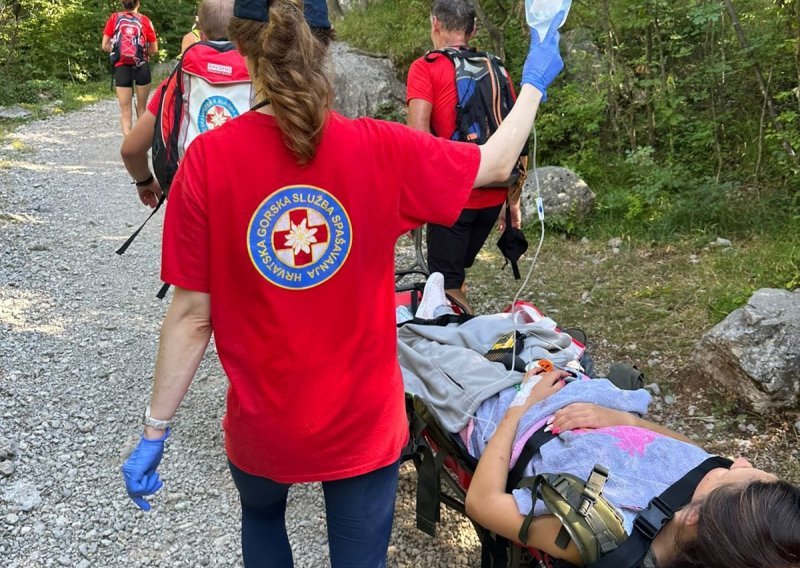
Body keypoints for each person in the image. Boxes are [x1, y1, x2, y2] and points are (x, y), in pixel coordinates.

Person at [118, 0, 564, 566]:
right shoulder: (379, 148)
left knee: (260, 517)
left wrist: (155, 430)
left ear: (246, 47)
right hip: (361, 424)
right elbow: (496, 163)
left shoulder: (208, 160)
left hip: (264, 424)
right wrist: (532, 83)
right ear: (325, 47)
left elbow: (191, 316)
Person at [464, 368, 800, 567]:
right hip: (578, 399)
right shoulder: (717, 505)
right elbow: (695, 454)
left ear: (694, 516)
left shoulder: (605, 534)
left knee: (456, 357)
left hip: (512, 420)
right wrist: (620, 418)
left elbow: (483, 503)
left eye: (733, 472)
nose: (737, 461)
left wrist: (522, 405)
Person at [406, 0, 528, 314]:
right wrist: (512, 201)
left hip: (453, 197)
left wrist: (415, 200)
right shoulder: (496, 67)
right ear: (472, 30)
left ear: (435, 24)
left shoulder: (426, 67)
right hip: (495, 192)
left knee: (445, 287)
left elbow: (417, 139)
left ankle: (462, 345)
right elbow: (518, 136)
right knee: (456, 271)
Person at [120, 0, 246, 207]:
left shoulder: (179, 78)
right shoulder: (264, 76)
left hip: (190, 195)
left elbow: (130, 150)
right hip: (246, 196)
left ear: (202, 34)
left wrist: (145, 181)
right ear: (245, 30)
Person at [102, 0, 158, 136]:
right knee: (142, 109)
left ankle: (129, 148)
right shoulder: (145, 20)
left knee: (126, 113)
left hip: (122, 67)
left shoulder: (114, 18)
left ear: (122, 3)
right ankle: (140, 149)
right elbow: (154, 49)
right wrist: (141, 52)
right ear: (138, 4)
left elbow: (105, 45)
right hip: (141, 66)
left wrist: (118, 52)